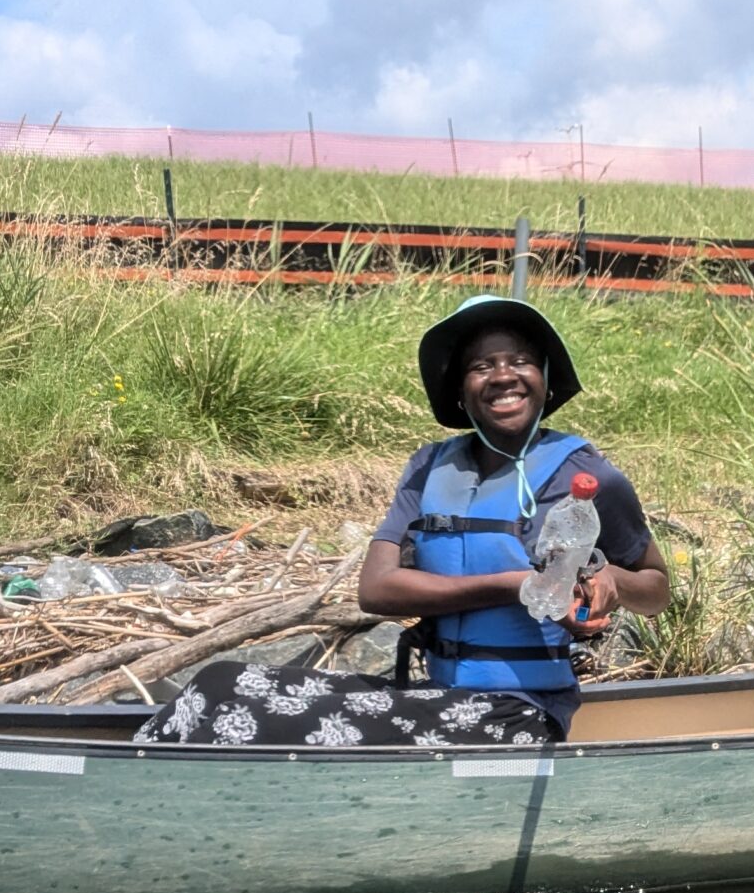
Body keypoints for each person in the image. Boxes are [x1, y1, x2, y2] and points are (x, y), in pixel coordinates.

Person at [139, 294, 667, 748]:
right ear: (461, 391)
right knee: (221, 684)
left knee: (250, 722)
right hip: (437, 697)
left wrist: (611, 583)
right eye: (482, 367)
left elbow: (656, 587)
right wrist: (513, 586)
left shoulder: (586, 473)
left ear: (544, 378)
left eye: (522, 361)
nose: (504, 375)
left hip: (519, 711)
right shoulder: (429, 467)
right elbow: (378, 589)